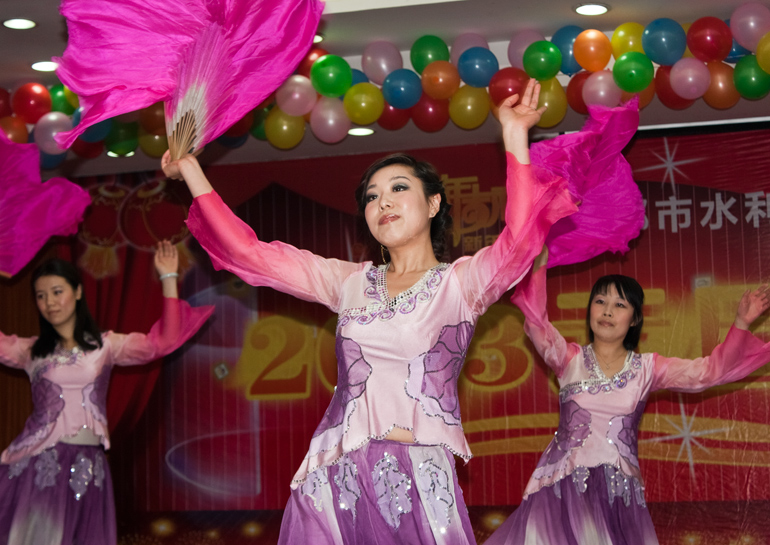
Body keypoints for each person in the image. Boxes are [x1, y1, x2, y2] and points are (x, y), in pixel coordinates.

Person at [162, 80, 585, 544]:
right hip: (333, 480)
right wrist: (192, 170)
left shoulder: (460, 284)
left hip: (418, 476)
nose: (382, 201)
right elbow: (250, 253)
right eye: (371, 196)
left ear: (433, 203)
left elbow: (520, 242)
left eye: (399, 188)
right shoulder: (347, 282)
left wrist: (514, 135)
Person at [485, 246, 770, 545]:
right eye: (600, 301)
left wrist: (741, 324)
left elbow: (709, 372)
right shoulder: (568, 359)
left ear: (634, 319)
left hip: (618, 500)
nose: (607, 310)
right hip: (562, 493)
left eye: (619, 304)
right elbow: (537, 324)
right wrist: (539, 267)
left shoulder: (647, 369)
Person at [0, 241, 213, 545]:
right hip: (40, 463)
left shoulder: (106, 346)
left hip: (89, 467)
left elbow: (164, 341)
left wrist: (168, 277)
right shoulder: (28, 351)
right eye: (41, 296)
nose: (49, 302)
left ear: (77, 292)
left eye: (57, 292)